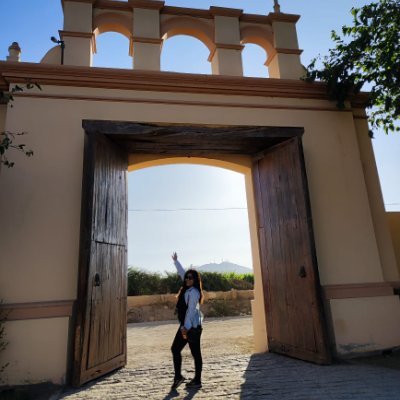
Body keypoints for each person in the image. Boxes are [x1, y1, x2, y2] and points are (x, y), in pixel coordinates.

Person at [170, 252, 204, 390]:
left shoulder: (194, 292)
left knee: (189, 352)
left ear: (195, 280)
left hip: (191, 327)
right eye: (187, 278)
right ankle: (183, 377)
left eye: (190, 278)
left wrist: (185, 328)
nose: (187, 279)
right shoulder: (187, 289)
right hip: (188, 326)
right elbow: (182, 273)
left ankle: (194, 380)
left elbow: (190, 311)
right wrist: (176, 262)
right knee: (182, 350)